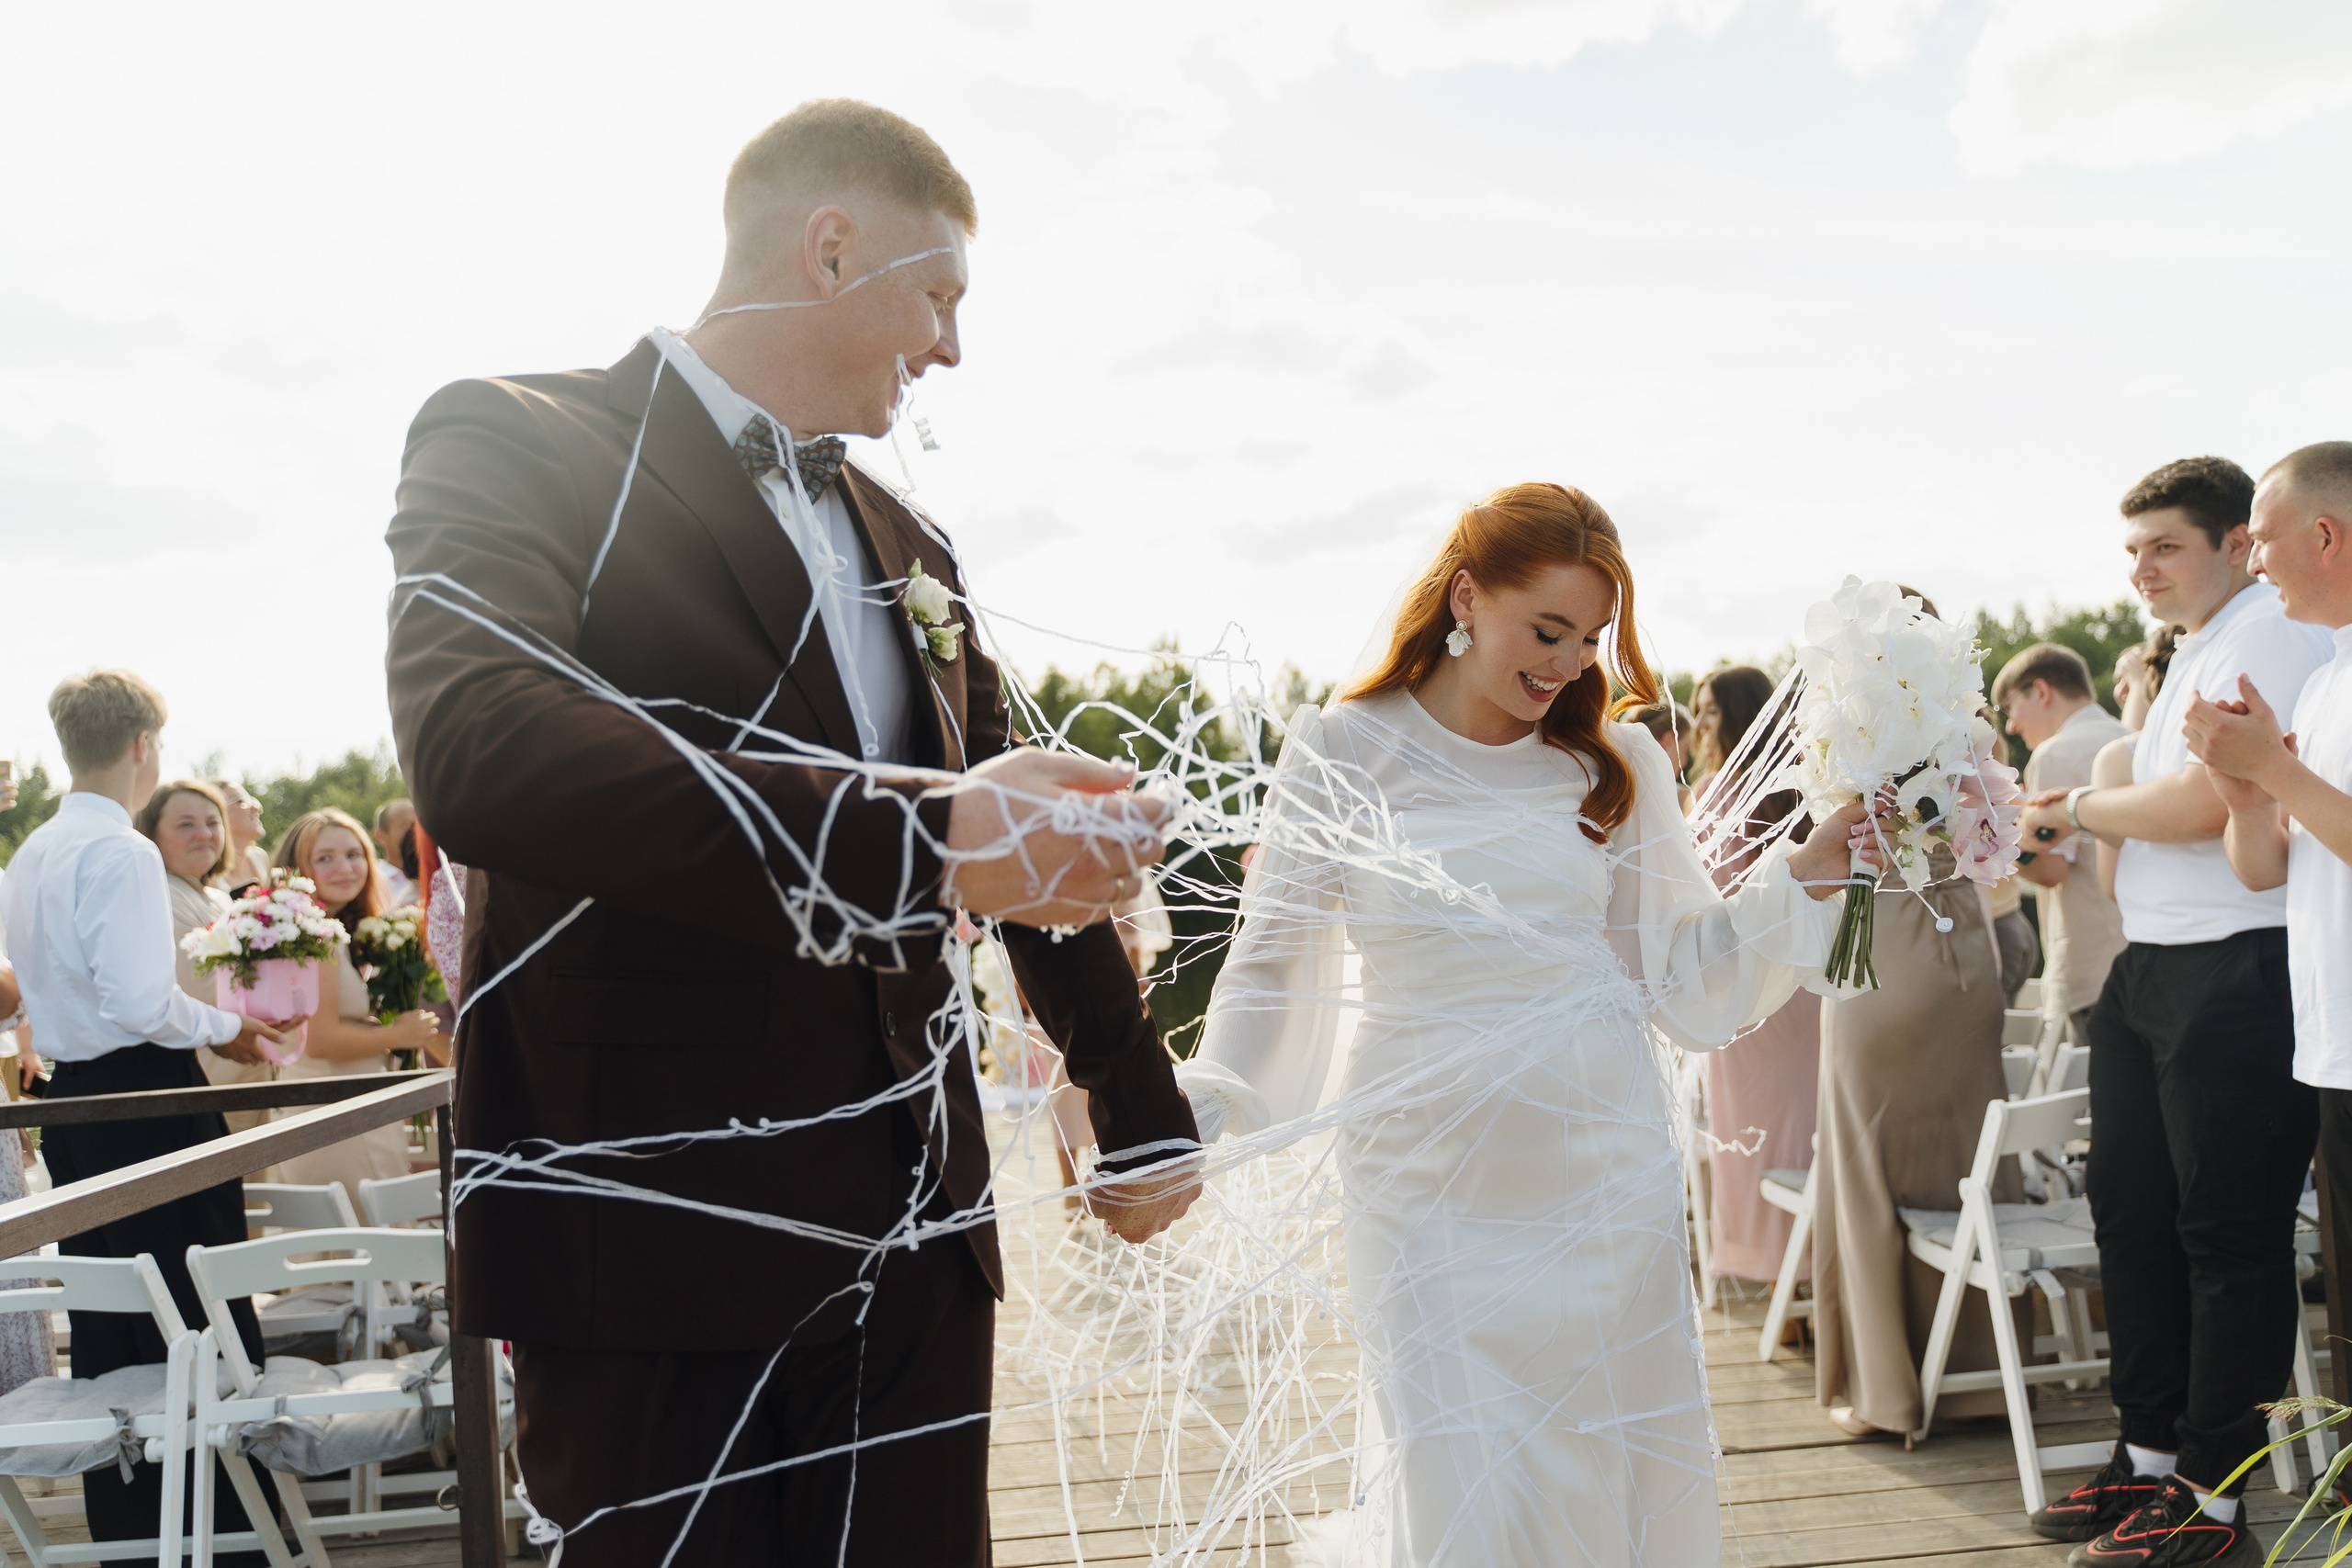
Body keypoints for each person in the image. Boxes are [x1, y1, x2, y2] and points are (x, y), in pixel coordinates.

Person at [383, 99, 1198, 1565]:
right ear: (830, 250)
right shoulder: (516, 434)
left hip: (921, 1238)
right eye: (940, 294)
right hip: (652, 1228)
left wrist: (1130, 1087)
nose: (951, 346)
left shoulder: (912, 541)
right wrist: (925, 832)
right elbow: (480, 740)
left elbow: (1008, 816)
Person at [1172, 485, 1884, 1565]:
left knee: (1600, 1461)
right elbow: (1272, 963)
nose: (1565, 663)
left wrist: (1803, 879)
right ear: (1467, 595)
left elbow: (1684, 979)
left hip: (1599, 1165)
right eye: (1544, 630)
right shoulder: (1342, 747)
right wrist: (1211, 1096)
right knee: (1454, 1459)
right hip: (1421, 1173)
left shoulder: (1615, 761)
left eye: (1589, 638)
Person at [2017, 457, 2334, 1561]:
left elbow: (2207, 807)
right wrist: (2102, 815)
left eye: (2164, 547)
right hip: (2153, 973)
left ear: (2236, 543)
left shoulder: (2274, 637)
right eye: (2133, 551)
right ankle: (2147, 1458)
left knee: (2226, 1236)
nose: (2140, 569)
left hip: (2235, 972)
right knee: (2133, 1217)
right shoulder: (2197, 649)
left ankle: (2212, 1496)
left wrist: (2075, 808)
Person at [0, 671, 293, 1548]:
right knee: (197, 1309)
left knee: (118, 1316)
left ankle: (133, 1528)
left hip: (80, 1109)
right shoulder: (123, 850)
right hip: (153, 1097)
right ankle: (227, 1533)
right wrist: (230, 1024)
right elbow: (139, 1002)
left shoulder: (27, 856)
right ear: (142, 746)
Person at [1807, 588, 2018, 1441]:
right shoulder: (1972, 733)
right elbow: (1998, 852)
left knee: (1863, 1167)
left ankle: (1886, 1390)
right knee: (1972, 1153)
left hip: (1882, 950)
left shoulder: (1849, 728)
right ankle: (1976, 1378)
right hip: (1965, 958)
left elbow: (1826, 849)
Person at [2180, 442, 2352, 1490]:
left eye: (2265, 540)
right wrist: (2246, 790)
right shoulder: (2329, 678)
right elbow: (2264, 871)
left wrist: (2272, 766)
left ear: (2326, 537)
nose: (2255, 566)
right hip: (2330, 1045)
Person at [1683, 666, 1826, 1289]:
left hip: (1748, 985)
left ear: (1740, 715)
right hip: (1805, 976)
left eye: (1710, 710)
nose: (1700, 723)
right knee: (1808, 1119)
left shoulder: (1718, 791)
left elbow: (1710, 894)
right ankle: (1818, 1266)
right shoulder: (1806, 790)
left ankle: (1774, 1272)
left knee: (1752, 1124)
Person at [267, 807, 442, 1210]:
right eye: (324, 858)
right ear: (297, 868)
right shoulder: (315, 938)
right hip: (339, 1115)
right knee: (368, 1253)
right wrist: (399, 1034)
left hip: (344, 1107)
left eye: (354, 854)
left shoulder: (320, 931)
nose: (345, 868)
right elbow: (321, 1040)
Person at [1995, 645, 2130, 1042]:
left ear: (2041, 691)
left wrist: (2003, 825)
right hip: (2143, 951)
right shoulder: (2130, 738)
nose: (2013, 727)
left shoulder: (2055, 753)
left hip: (2092, 963)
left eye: (2009, 707)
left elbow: (2051, 871)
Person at [135, 779, 281, 1137]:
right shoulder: (163, 895)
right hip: (212, 1080)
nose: (204, 834)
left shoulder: (218, 898)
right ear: (152, 834)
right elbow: (201, 988)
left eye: (213, 822)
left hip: (252, 1077)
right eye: (186, 824)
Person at [1627, 695, 1693, 810]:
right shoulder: (1683, 799)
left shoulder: (1614, 789)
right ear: (1668, 741)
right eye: (1686, 750)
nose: (1685, 762)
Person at [209, 778, 271, 893]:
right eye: (242, 801)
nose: (256, 807)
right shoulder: (208, 870)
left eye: (251, 800)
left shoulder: (260, 858)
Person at [371, 798, 417, 908]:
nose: (415, 832)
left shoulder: (441, 875)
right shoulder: (371, 880)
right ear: (380, 836)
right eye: (406, 826)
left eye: (418, 825)